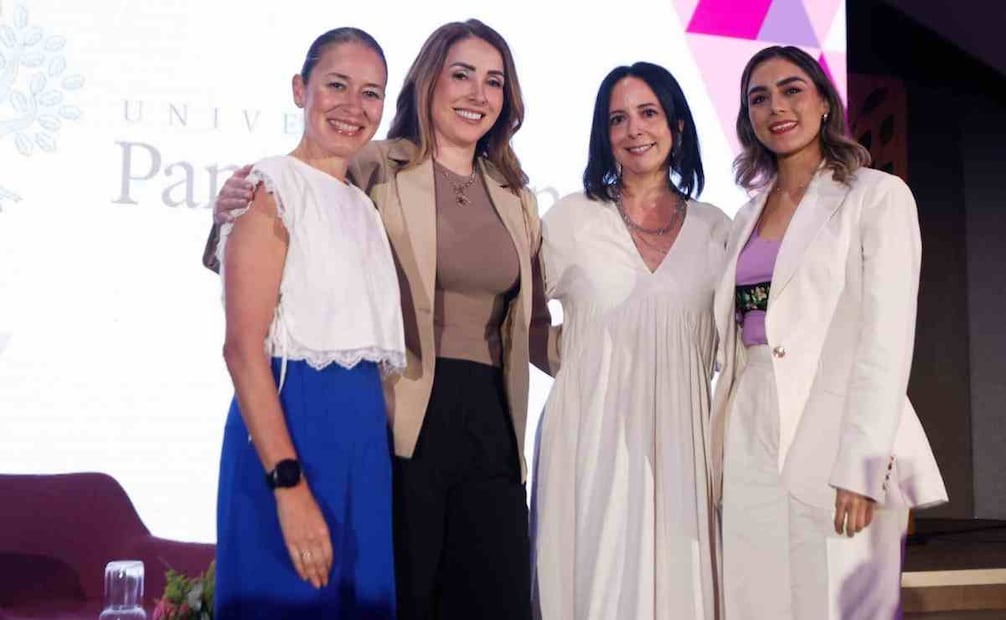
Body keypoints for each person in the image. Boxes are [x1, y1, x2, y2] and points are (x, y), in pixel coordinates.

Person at [207, 19, 556, 620]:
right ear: (428, 84)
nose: (478, 93)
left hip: (491, 421)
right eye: (462, 75)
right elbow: (282, 228)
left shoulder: (516, 196)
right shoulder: (370, 165)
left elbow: (531, 327)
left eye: (493, 81)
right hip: (404, 414)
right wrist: (225, 215)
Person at [709, 45, 948, 619]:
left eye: (792, 89)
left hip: (836, 428)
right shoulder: (744, 216)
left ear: (822, 102)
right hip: (750, 426)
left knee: (840, 605)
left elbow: (885, 343)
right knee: (754, 602)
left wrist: (862, 468)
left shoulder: (876, 196)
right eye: (758, 97)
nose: (776, 107)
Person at [213, 27, 405, 618]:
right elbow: (243, 350)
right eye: (337, 85)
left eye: (371, 93)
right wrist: (289, 486)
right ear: (301, 89)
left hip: (362, 448)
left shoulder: (364, 206)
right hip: (291, 439)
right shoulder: (269, 187)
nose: (354, 107)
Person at [530, 62, 729, 620]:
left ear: (678, 126)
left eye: (648, 113)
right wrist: (583, 370)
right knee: (595, 582)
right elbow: (520, 319)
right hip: (588, 439)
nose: (634, 130)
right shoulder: (570, 218)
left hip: (683, 442)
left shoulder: (718, 229)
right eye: (618, 118)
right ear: (604, 134)